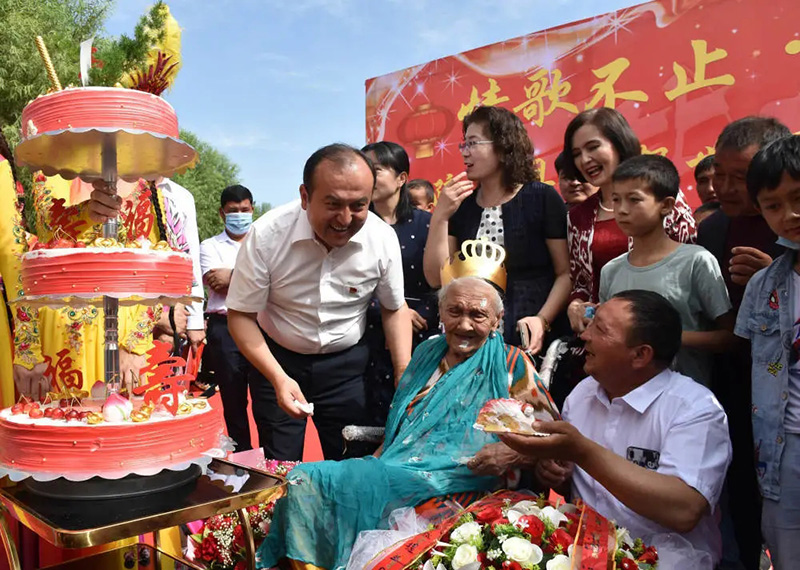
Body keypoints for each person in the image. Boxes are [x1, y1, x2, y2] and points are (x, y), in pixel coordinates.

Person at [256, 274, 557, 570]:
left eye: (478, 315)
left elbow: (553, 439)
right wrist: (372, 466)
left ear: (497, 320)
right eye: (454, 311)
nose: (464, 324)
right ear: (440, 312)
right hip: (397, 468)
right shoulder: (427, 352)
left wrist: (511, 454)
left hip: (466, 484)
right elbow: (402, 422)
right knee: (305, 480)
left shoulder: (512, 363)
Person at [501, 290, 732, 569]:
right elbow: (570, 481)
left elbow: (684, 510)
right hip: (582, 553)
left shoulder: (695, 409)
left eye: (600, 329)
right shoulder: (583, 393)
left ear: (640, 355)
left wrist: (583, 452)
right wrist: (553, 472)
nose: (584, 336)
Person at [226, 144, 412, 461]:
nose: (345, 218)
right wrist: (278, 377)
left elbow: (394, 309)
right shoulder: (267, 235)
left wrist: (404, 374)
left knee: (354, 464)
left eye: (358, 206)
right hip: (277, 361)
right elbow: (240, 315)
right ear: (304, 196)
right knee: (281, 466)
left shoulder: (381, 238)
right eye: (333, 204)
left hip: (349, 370)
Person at [698, 116, 791, 570]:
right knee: (741, 491)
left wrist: (775, 283)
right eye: (719, 172)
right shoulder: (712, 231)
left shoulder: (789, 240)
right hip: (733, 383)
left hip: (786, 393)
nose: (726, 186)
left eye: (742, 176)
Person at [423, 106, 570, 355]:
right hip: (473, 337)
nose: (464, 153)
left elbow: (564, 273)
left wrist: (542, 320)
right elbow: (437, 278)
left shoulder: (541, 197)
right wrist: (440, 216)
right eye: (463, 145)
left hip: (528, 337)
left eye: (473, 143)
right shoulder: (463, 207)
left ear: (503, 148)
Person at [598, 154, 734, 387]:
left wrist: (668, 338)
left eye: (634, 199)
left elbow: (729, 337)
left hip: (685, 396)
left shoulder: (696, 261)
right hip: (625, 396)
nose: (621, 210)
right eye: (616, 200)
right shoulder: (611, 270)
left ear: (667, 205)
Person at [563, 107, 696, 333]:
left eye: (593, 147)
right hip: (605, 338)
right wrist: (575, 306)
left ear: (619, 144)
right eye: (576, 154)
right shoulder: (578, 217)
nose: (585, 160)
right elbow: (581, 284)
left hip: (668, 332)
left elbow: (688, 263)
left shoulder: (663, 199)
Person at [736, 135, 800, 570]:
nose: (789, 214)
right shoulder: (763, 285)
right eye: (773, 205)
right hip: (784, 448)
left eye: (798, 198)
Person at [361, 142, 438, 427]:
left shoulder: (428, 224)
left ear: (402, 178)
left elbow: (440, 281)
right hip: (365, 337)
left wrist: (418, 314)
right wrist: (391, 308)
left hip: (421, 337)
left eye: (376, 170)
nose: (368, 176)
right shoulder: (355, 225)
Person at [199, 184, 256, 451]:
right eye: (233, 211)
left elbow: (277, 280)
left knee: (267, 398)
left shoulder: (264, 241)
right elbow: (216, 283)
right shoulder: (209, 246)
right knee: (233, 401)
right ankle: (246, 463)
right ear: (222, 214)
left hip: (263, 326)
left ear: (252, 209)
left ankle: (274, 464)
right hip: (225, 328)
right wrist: (255, 278)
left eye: (244, 210)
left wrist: (231, 276)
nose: (240, 215)